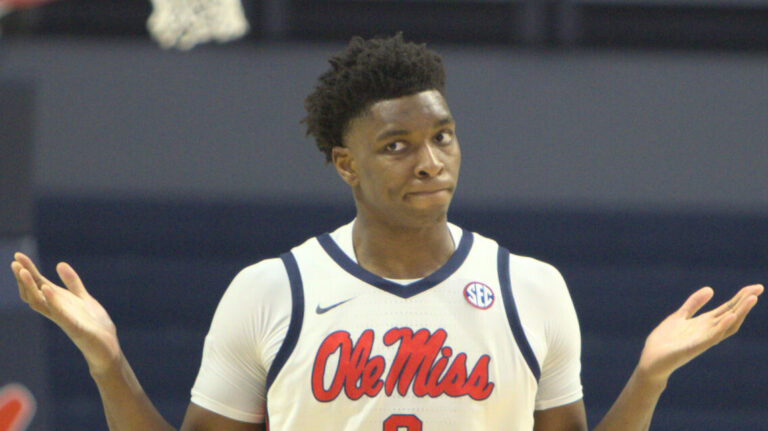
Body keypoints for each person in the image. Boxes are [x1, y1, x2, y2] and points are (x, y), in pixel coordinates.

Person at [10, 34, 763, 431]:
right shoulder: (273, 290)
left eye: (443, 136)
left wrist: (649, 377)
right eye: (397, 146)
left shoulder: (530, 288)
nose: (430, 161)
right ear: (346, 164)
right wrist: (107, 361)